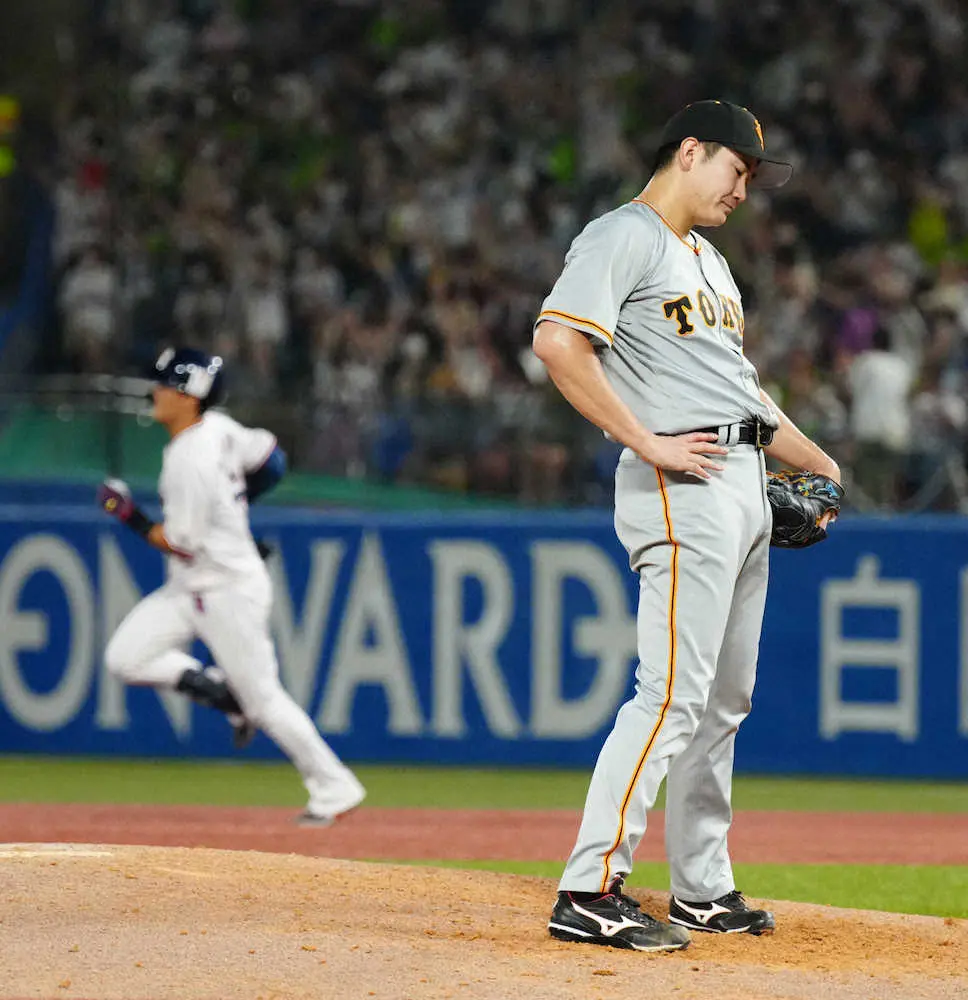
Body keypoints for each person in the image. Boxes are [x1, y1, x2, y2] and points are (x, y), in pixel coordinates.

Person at [533, 101, 841, 952]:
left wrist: (816, 461)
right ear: (691, 151)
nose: (745, 190)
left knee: (722, 702)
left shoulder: (707, 261)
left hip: (742, 476)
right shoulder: (622, 235)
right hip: (685, 481)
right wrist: (643, 440)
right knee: (669, 694)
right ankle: (589, 887)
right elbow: (559, 342)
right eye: (737, 171)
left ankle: (702, 887)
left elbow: (741, 393)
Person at [98, 346, 365, 825]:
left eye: (166, 385)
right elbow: (272, 458)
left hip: (225, 590)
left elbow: (180, 544)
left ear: (191, 395)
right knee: (125, 657)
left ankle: (333, 785)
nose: (156, 392)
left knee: (264, 700)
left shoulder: (190, 460)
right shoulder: (220, 431)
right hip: (190, 589)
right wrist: (237, 518)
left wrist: (126, 514)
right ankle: (222, 692)